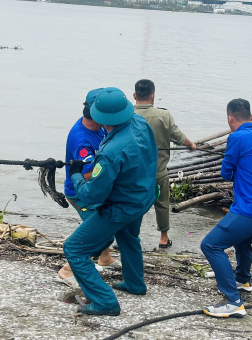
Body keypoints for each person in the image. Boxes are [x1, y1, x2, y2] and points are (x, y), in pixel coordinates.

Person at [63, 87, 157, 316]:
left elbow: (90, 195)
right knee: (128, 236)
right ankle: (135, 284)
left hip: (120, 207)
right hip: (144, 197)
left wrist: (75, 174)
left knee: (74, 248)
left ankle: (105, 302)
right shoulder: (140, 122)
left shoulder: (111, 152)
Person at [201, 99, 252, 318]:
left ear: (230, 119)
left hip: (251, 210)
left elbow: (225, 174)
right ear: (251, 118)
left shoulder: (236, 137)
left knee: (210, 245)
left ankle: (234, 301)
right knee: (242, 240)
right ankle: (243, 279)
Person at [57, 88, 118, 288]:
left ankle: (105, 259)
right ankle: (67, 271)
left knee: (105, 220)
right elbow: (86, 174)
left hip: (96, 191)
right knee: (100, 231)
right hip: (81, 193)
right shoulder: (81, 140)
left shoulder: (97, 126)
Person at [132, 79, 196, 249]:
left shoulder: (127, 115)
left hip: (133, 172)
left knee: (132, 202)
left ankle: (131, 235)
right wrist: (190, 144)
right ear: (153, 96)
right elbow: (177, 136)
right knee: (162, 203)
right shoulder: (163, 115)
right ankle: (163, 238)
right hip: (158, 170)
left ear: (134, 96)